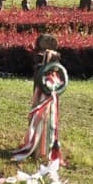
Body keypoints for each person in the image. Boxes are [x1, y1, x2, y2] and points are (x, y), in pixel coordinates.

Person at [14, 34, 68, 164]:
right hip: (42, 89)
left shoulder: (54, 79)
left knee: (49, 118)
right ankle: (38, 147)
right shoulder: (40, 66)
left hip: (49, 92)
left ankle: (45, 148)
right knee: (39, 117)